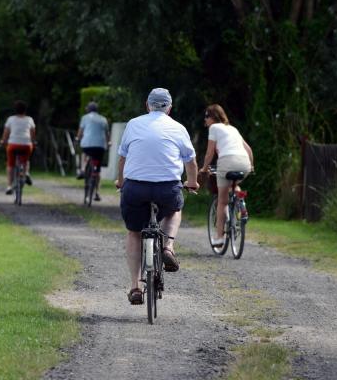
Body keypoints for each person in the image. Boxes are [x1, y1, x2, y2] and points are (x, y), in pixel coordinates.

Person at [115, 88, 199, 305]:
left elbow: (122, 158)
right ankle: (168, 246)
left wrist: (121, 182)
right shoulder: (178, 128)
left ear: (147, 105)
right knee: (174, 210)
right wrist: (192, 182)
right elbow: (190, 161)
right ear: (169, 108)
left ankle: (135, 286)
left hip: (135, 188)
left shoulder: (133, 124)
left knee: (134, 233)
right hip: (167, 187)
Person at [198, 104, 254, 246]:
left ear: (212, 117)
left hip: (227, 162)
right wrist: (251, 166)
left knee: (222, 201)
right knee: (233, 185)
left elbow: (210, 152)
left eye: (206, 117)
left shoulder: (214, 128)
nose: (205, 121)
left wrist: (204, 168)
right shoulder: (233, 129)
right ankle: (241, 206)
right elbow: (248, 149)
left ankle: (219, 237)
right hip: (244, 163)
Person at [0, 100, 36, 194]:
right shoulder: (30, 119)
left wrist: (3, 141)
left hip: (13, 144)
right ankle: (26, 173)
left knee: (10, 165)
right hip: (26, 145)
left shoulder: (10, 119)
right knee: (26, 160)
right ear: (25, 110)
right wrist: (33, 142)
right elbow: (32, 134)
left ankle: (9, 186)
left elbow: (6, 133)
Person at [76, 101, 110, 201]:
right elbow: (107, 134)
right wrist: (109, 142)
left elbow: (80, 132)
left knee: (84, 153)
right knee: (98, 170)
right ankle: (97, 193)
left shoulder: (85, 118)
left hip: (87, 145)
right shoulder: (103, 119)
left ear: (88, 109)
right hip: (100, 147)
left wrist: (78, 139)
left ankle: (82, 170)